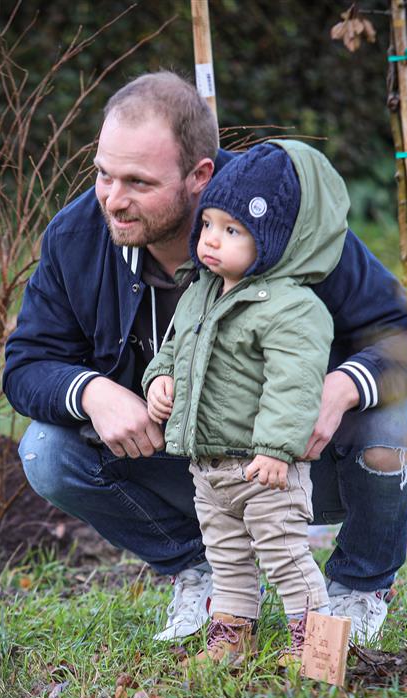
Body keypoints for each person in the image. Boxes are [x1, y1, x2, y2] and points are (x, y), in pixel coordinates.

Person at [3, 71, 407, 645]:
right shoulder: (77, 237)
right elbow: (26, 364)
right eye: (103, 174)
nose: (112, 200)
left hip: (300, 461)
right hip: (189, 465)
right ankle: (205, 570)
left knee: (388, 422)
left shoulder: (284, 216)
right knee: (46, 450)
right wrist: (93, 391)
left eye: (138, 182)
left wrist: (340, 389)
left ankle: (357, 588)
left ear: (200, 175)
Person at [142, 140, 343, 665]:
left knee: (285, 557)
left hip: (264, 469)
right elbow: (174, 349)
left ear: (272, 241)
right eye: (208, 224)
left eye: (232, 231)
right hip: (209, 467)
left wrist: (276, 449)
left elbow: (293, 384)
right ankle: (232, 640)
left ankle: (320, 653)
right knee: (227, 559)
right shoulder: (200, 291)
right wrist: (159, 379)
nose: (211, 239)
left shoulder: (293, 308)